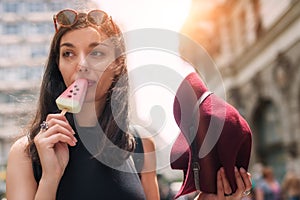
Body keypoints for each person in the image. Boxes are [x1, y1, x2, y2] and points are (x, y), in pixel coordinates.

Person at [6, 8, 159, 200]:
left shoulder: (141, 145)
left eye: (96, 53)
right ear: (58, 65)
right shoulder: (26, 153)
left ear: (117, 65)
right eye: (68, 53)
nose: (82, 64)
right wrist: (50, 178)